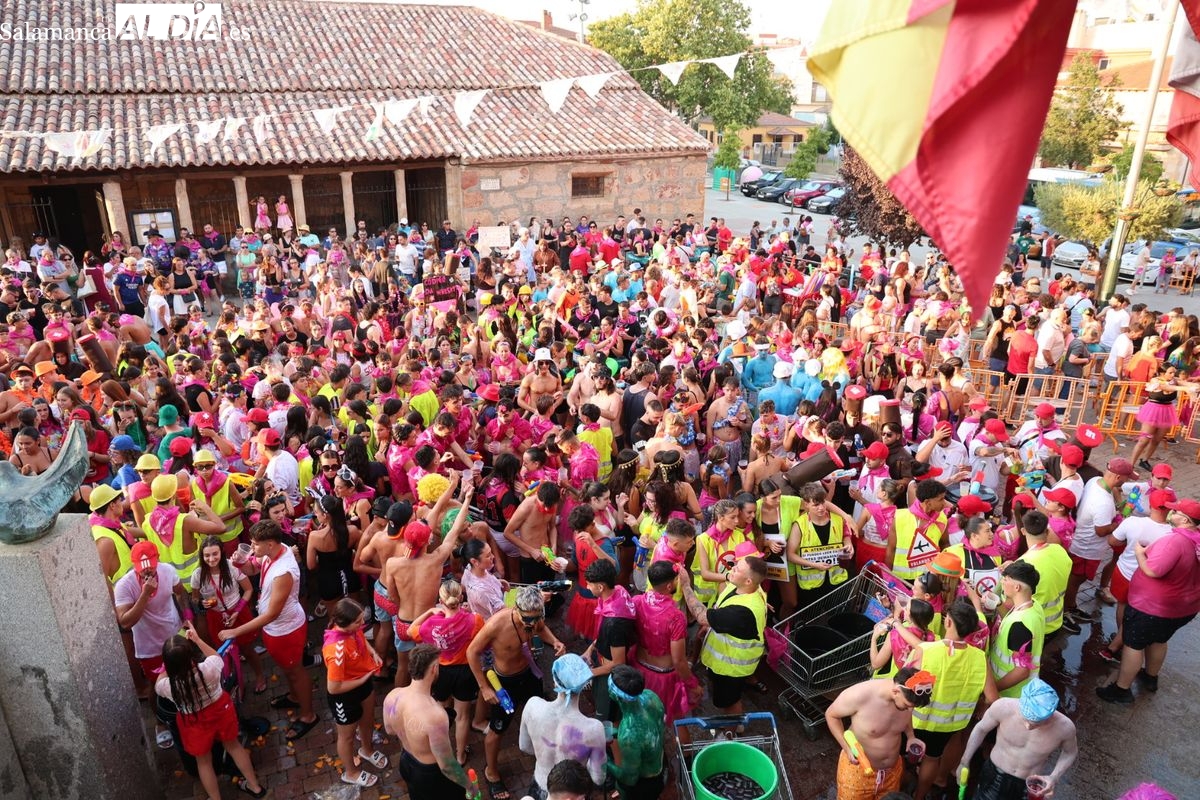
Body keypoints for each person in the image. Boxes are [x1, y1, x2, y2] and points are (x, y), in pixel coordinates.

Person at [218, 519, 319, 741]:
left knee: (296, 670)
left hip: (286, 629)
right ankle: (294, 696)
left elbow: (272, 613)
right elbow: (253, 567)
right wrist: (240, 564)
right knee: (287, 668)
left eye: (255, 544)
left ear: (271, 544)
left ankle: (308, 715)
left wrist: (236, 631)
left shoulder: (284, 572)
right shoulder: (272, 553)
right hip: (276, 630)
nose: (252, 548)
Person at [468, 586, 567, 800]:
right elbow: (471, 652)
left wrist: (555, 641)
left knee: (541, 715)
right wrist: (485, 687)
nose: (531, 624)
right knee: (498, 729)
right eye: (527, 619)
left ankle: (539, 752)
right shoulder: (497, 624)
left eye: (535, 618)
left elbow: (541, 629)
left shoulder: (535, 615)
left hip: (528, 674)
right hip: (505, 682)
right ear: (516, 609)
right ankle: (491, 773)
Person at [1097, 498, 1200, 704]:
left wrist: (1139, 554)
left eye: (1176, 512)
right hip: (1182, 607)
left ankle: (1122, 689)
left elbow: (1153, 570)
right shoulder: (1195, 540)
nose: (1171, 514)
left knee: (1133, 645)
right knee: (1159, 640)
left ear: (1185, 520)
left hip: (1153, 608)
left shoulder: (1176, 541)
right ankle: (1151, 677)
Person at [382, 471, 473, 686]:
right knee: (432, 667)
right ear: (426, 541)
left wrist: (452, 486)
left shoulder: (393, 564)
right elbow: (454, 531)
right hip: (426, 625)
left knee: (404, 667)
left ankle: (401, 700)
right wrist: (466, 499)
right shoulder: (435, 560)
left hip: (404, 623)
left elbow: (393, 597)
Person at [156, 624, 268, 799]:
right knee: (234, 746)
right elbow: (216, 657)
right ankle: (255, 787)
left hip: (193, 722)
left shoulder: (169, 686)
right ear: (191, 656)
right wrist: (197, 640)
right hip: (220, 710)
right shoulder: (208, 669)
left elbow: (158, 683)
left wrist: (167, 664)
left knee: (204, 761)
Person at [907, 599, 999, 800]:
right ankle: (919, 796)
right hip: (952, 723)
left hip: (918, 718)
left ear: (948, 622)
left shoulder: (926, 650)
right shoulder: (979, 657)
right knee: (932, 758)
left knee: (910, 754)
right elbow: (992, 697)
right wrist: (979, 708)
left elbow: (904, 684)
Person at [116, 540, 189, 749]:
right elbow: (126, 621)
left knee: (182, 675)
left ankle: (186, 711)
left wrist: (186, 615)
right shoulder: (125, 585)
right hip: (149, 647)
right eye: (142, 568)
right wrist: (145, 594)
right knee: (155, 686)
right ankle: (160, 723)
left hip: (174, 636)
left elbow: (180, 592)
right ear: (134, 565)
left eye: (151, 566)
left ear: (158, 560)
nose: (147, 571)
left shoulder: (167, 570)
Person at [679, 544, 768, 714]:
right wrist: (711, 627)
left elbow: (701, 615)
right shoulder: (742, 586)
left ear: (748, 581)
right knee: (725, 697)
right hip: (724, 662)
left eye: (738, 569)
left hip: (732, 668)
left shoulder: (742, 611)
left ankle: (732, 729)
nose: (732, 569)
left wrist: (685, 586)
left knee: (730, 701)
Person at [382, 644, 478, 798]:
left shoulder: (393, 696)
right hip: (430, 776)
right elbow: (447, 766)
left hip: (406, 762)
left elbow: (390, 730)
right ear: (434, 669)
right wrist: (470, 787)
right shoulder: (435, 716)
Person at [408, 578, 486, 766]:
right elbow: (481, 642)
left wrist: (428, 612)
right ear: (461, 597)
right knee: (463, 716)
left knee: (441, 713)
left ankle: (441, 750)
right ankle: (460, 756)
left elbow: (410, 631)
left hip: (440, 671)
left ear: (441, 602)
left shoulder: (432, 624)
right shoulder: (474, 619)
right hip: (465, 672)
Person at [824, 668, 934, 800]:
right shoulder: (859, 694)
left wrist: (911, 737)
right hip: (858, 772)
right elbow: (831, 715)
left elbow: (906, 716)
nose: (910, 710)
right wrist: (846, 748)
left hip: (892, 773)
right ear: (896, 691)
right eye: (907, 706)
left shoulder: (906, 701)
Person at [959, 679, 1078, 800]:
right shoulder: (1003, 707)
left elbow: (1070, 753)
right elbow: (980, 729)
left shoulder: (1064, 727)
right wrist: (964, 762)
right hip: (994, 774)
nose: (1028, 726)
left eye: (1036, 723)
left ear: (1050, 715)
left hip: (1027, 785)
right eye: (1026, 719)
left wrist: (1053, 777)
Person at [519, 654, 606, 797]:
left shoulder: (532, 706)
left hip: (539, 788)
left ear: (555, 681)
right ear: (583, 684)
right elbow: (598, 777)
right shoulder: (594, 729)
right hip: (572, 795)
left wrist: (544, 753)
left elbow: (524, 746)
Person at [323, 598, 386, 788]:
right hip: (344, 696)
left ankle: (367, 750)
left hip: (362, 681)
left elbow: (359, 635)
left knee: (367, 721)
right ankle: (351, 772)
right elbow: (333, 688)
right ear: (343, 623)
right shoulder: (336, 651)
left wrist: (372, 651)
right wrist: (362, 679)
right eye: (358, 622)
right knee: (347, 736)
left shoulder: (351, 627)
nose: (362, 625)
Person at [631, 559, 701, 725]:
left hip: (639, 668)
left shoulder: (637, 602)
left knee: (644, 716)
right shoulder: (676, 617)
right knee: (677, 720)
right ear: (670, 586)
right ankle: (686, 752)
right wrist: (692, 684)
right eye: (676, 579)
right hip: (664, 678)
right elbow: (679, 660)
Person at [604, 664, 667, 800]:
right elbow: (648, 733)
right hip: (660, 764)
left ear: (616, 696)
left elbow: (629, 779)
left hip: (644, 785)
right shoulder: (651, 696)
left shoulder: (629, 734)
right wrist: (616, 732)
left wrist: (606, 762)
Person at [988, 561, 1045, 698]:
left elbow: (1022, 671)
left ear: (1017, 587)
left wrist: (992, 690)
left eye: (1006, 579)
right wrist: (998, 604)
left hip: (1009, 693)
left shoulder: (1019, 627)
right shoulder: (1035, 606)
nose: (1002, 582)